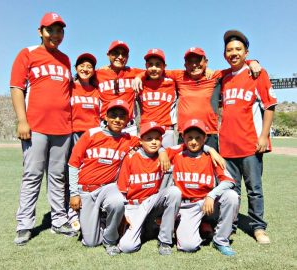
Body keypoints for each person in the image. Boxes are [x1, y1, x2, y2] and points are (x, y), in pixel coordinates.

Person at [68, 100, 170, 256]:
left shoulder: (129, 139)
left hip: (108, 188)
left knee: (117, 202)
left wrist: (162, 151)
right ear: (106, 116)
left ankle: (110, 240)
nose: (117, 119)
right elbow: (73, 164)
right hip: (86, 190)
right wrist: (74, 193)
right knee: (90, 242)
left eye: (122, 117)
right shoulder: (91, 134)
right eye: (113, 115)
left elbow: (150, 140)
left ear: (127, 120)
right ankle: (95, 220)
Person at [10, 12, 76, 246]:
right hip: (36, 126)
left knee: (58, 177)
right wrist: (22, 120)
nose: (55, 35)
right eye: (51, 30)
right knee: (32, 175)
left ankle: (58, 220)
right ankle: (24, 224)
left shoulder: (66, 59)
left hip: (63, 128)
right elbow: (17, 88)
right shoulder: (27, 53)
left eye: (59, 30)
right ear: (40, 31)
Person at [134, 48, 262, 151]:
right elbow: (155, 70)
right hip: (185, 133)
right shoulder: (179, 75)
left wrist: (252, 62)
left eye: (198, 61)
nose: (194, 65)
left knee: (211, 172)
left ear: (206, 62)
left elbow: (236, 68)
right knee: (182, 171)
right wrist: (139, 76)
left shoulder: (214, 75)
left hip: (209, 133)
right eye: (190, 61)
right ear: (185, 64)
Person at [219, 30, 277, 244]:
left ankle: (258, 227)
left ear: (246, 53)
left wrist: (264, 136)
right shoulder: (222, 77)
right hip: (227, 146)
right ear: (224, 54)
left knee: (254, 189)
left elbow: (270, 106)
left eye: (238, 49)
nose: (233, 53)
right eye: (229, 50)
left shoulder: (257, 73)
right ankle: (231, 225)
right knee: (231, 191)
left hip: (250, 144)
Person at [173, 119, 239, 256]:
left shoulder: (211, 157)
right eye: (189, 137)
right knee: (188, 246)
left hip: (207, 203)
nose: (193, 141)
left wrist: (211, 194)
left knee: (232, 196)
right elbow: (158, 149)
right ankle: (199, 227)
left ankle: (221, 240)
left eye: (198, 138)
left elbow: (229, 181)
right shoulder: (176, 155)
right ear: (183, 138)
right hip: (187, 206)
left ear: (204, 139)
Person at [117, 122, 181, 255]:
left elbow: (187, 145)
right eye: (149, 138)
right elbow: (121, 191)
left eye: (157, 138)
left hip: (153, 203)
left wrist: (211, 150)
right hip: (134, 206)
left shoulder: (164, 155)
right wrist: (124, 214)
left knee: (174, 192)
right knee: (127, 247)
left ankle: (165, 241)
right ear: (140, 141)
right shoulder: (131, 157)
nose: (154, 142)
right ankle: (146, 228)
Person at [68, 52, 100, 231]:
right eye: (81, 65)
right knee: (71, 172)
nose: (85, 69)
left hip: (92, 136)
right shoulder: (70, 86)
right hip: (73, 134)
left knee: (87, 173)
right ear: (76, 68)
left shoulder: (97, 90)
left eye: (89, 66)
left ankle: (87, 210)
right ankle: (71, 212)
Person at [96, 40, 143, 135]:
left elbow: (152, 71)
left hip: (129, 128)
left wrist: (139, 76)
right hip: (106, 127)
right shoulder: (97, 74)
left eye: (124, 54)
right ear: (108, 55)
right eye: (116, 53)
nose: (120, 57)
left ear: (128, 57)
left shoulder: (133, 72)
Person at [137, 49, 177, 148]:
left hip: (166, 130)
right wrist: (139, 76)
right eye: (150, 64)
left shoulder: (172, 82)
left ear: (164, 67)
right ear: (146, 66)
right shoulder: (140, 83)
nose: (154, 68)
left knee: (168, 161)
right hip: (146, 130)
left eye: (158, 65)